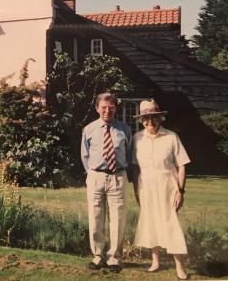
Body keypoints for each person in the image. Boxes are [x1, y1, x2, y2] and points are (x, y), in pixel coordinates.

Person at [131, 99, 190, 280]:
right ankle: (155, 261)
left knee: (170, 224)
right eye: (146, 118)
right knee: (150, 222)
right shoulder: (137, 139)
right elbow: (135, 168)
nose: (150, 121)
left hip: (168, 187)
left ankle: (180, 266)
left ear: (160, 118)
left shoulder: (172, 137)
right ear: (141, 120)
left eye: (154, 117)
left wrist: (180, 191)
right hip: (145, 186)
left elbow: (182, 165)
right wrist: (136, 191)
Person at [81, 92, 132, 272]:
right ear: (97, 108)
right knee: (95, 217)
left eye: (111, 108)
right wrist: (92, 174)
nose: (107, 111)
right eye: (103, 107)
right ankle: (98, 256)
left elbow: (129, 153)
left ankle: (114, 259)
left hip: (117, 176)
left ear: (115, 108)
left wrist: (120, 171)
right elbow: (85, 155)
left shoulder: (124, 130)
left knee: (118, 217)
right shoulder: (89, 129)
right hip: (96, 176)